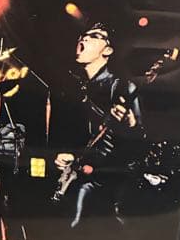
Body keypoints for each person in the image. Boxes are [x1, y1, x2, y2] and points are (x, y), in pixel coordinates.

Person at [52, 22, 144, 227]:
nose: (84, 38)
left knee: (76, 224)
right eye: (83, 35)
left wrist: (130, 123)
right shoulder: (75, 88)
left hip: (106, 176)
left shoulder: (122, 87)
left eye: (94, 36)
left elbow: (140, 141)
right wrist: (67, 155)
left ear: (107, 50)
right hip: (81, 172)